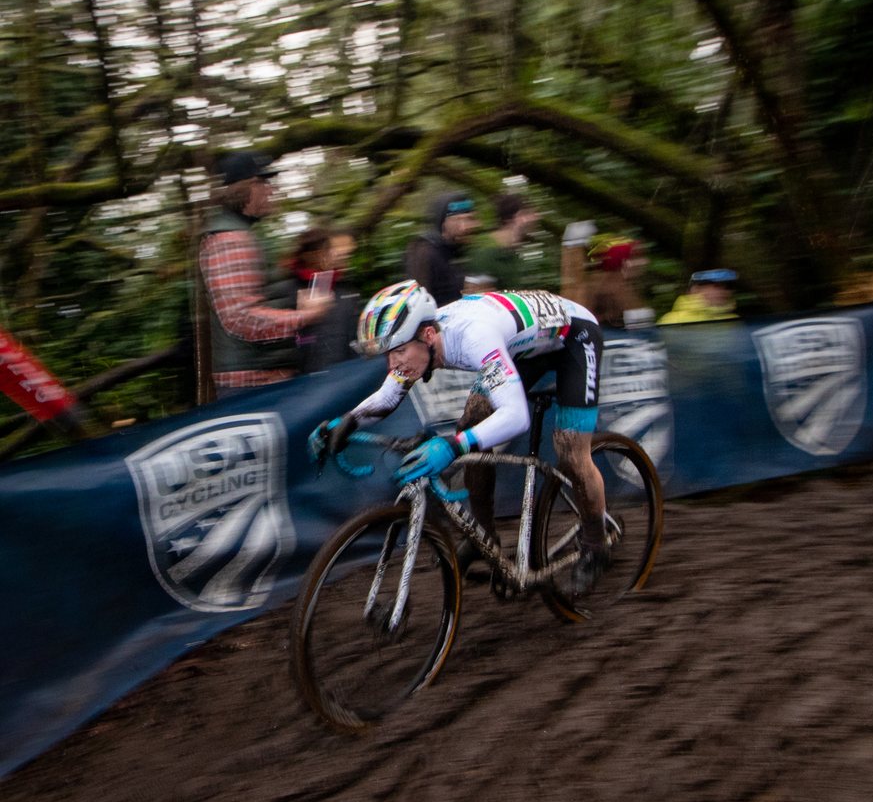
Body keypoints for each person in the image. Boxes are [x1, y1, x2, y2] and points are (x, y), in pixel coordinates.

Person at [309, 281, 610, 593]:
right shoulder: (419, 341)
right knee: (471, 424)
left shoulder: (472, 336)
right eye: (388, 355)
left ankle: (595, 544)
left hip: (575, 336)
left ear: (427, 336)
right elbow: (388, 396)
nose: (393, 365)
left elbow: (515, 416)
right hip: (526, 345)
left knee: (571, 452)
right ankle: (484, 536)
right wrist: (348, 421)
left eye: (398, 352)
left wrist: (454, 446)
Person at [198, 151, 331, 396]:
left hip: (258, 379)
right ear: (247, 188)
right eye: (264, 183)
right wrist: (306, 315)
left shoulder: (238, 233)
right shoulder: (230, 239)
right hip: (250, 384)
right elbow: (241, 318)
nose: (271, 190)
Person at [273, 227, 361, 373]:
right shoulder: (286, 290)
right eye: (331, 249)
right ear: (313, 255)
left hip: (345, 381)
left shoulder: (343, 289)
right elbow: (278, 347)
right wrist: (303, 317)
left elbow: (353, 340)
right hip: (303, 385)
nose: (340, 254)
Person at [403, 191, 479, 306]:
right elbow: (418, 304)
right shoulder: (424, 252)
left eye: (469, 219)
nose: (464, 227)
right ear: (443, 223)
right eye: (457, 220)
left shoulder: (454, 250)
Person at [465, 193, 539, 291]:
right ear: (513, 218)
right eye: (527, 213)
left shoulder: (512, 253)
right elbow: (478, 298)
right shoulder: (485, 253)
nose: (535, 217)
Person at [584, 235, 649, 329]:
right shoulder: (615, 288)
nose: (645, 262)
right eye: (635, 257)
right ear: (622, 263)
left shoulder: (626, 286)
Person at [657, 268, 740, 325]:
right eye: (716, 286)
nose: (723, 291)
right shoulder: (673, 320)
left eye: (727, 287)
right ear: (696, 289)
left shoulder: (733, 319)